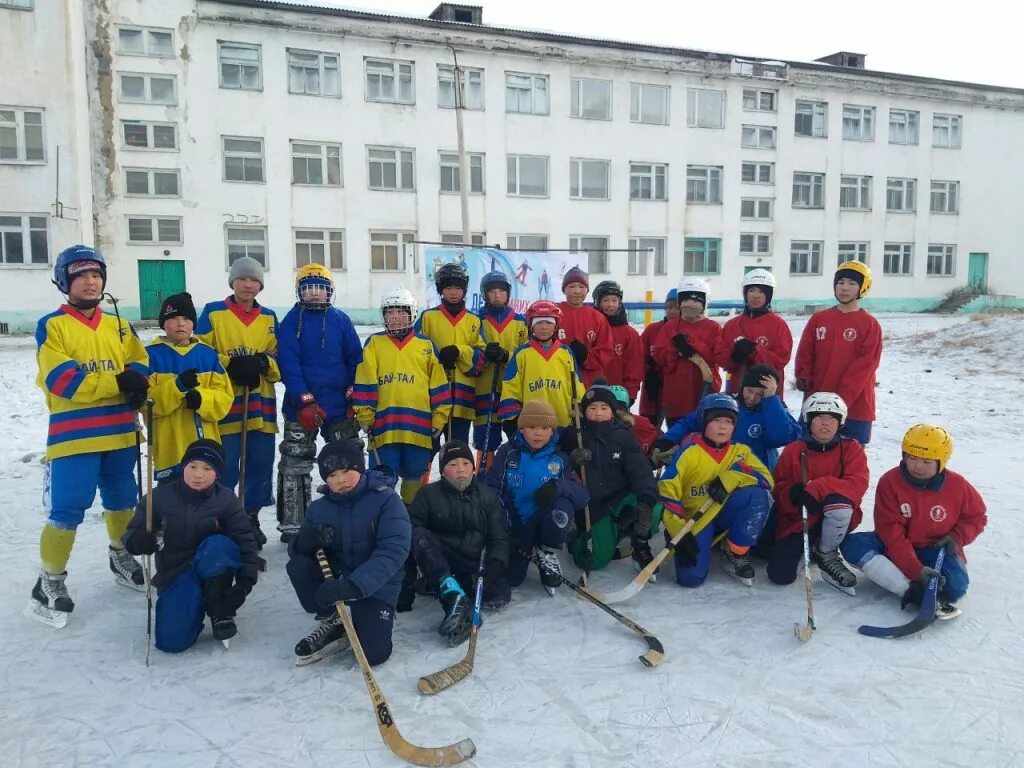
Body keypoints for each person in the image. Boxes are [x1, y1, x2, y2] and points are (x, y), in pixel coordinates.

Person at [29, 245, 149, 627]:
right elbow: (63, 380)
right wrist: (118, 381)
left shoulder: (119, 323)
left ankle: (119, 553)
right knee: (68, 509)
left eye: (96, 274)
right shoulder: (54, 325)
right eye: (81, 275)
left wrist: (138, 383)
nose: (91, 281)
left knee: (122, 500)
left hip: (119, 431)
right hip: (74, 436)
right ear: (66, 281)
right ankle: (49, 579)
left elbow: (140, 362)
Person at [122, 439, 260, 651]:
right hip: (176, 570)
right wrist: (138, 541)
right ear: (183, 467)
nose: (198, 474)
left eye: (207, 468)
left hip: (212, 562)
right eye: (192, 466)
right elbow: (130, 534)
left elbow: (246, 543)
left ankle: (219, 610)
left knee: (219, 546)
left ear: (217, 474)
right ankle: (191, 605)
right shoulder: (158, 498)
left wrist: (243, 587)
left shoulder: (226, 499)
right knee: (172, 642)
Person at [286, 439, 411, 666]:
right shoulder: (319, 508)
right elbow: (295, 550)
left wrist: (354, 586)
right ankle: (332, 618)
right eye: (331, 475)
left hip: (375, 585)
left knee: (373, 655)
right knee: (299, 562)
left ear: (359, 468)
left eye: (345, 471)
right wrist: (304, 541)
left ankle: (366, 617)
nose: (340, 480)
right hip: (337, 577)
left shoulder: (386, 499)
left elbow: (394, 550)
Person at [841, 425, 987, 617]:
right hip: (895, 546)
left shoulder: (958, 486)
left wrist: (957, 536)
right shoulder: (890, 482)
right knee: (852, 545)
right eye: (912, 458)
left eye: (926, 462)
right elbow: (890, 533)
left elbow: (976, 517)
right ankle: (908, 589)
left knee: (955, 588)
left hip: (935, 547)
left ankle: (907, 579)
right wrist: (915, 570)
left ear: (941, 461)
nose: (917, 466)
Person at [196, 256, 281, 547]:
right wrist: (229, 364)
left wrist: (262, 363)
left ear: (260, 284)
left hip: (260, 403)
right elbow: (199, 352)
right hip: (227, 402)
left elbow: (277, 358)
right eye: (242, 279)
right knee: (227, 464)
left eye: (254, 279)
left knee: (259, 464)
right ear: (232, 282)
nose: (247, 284)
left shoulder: (269, 317)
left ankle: (250, 517)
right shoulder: (213, 313)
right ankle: (222, 517)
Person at [277, 264, 363, 541]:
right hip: (301, 406)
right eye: (308, 288)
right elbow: (288, 364)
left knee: (347, 459)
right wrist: (303, 401)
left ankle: (351, 512)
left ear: (329, 292)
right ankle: (293, 523)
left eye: (320, 288)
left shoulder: (341, 320)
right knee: (294, 461)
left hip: (338, 404)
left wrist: (353, 395)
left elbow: (355, 359)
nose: (314, 294)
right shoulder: (291, 321)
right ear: (300, 292)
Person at [658, 394, 773, 588]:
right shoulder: (690, 452)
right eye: (716, 420)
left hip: (725, 513)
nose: (722, 427)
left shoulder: (741, 452)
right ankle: (693, 543)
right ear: (703, 422)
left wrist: (731, 476)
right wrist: (678, 531)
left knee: (757, 495)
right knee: (690, 579)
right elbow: (666, 490)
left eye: (728, 422)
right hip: (695, 520)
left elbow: (766, 480)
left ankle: (735, 550)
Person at [352, 288, 452, 505]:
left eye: (401, 312)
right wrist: (365, 416)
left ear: (412, 314)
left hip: (418, 428)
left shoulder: (426, 346)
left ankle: (411, 518)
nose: (395, 317)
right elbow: (365, 381)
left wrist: (439, 418)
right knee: (381, 477)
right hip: (385, 428)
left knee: (414, 474)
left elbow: (439, 387)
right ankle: (382, 518)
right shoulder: (374, 344)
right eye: (390, 312)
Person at [405, 440, 511, 644]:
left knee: (499, 595)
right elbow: (410, 531)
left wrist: (494, 565)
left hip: (473, 559)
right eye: (453, 465)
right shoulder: (427, 494)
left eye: (465, 464)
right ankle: (450, 591)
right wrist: (406, 583)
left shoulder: (487, 496)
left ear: (473, 468)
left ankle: (460, 593)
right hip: (441, 557)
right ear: (443, 471)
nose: (460, 470)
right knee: (418, 535)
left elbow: (498, 536)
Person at [766, 393, 868, 595]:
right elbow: (778, 486)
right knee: (780, 576)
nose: (825, 423)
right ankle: (809, 547)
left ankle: (826, 553)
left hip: (834, 518)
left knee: (838, 503)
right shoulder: (795, 450)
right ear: (808, 420)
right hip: (799, 519)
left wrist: (817, 488)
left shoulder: (851, 449)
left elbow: (857, 484)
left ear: (841, 422)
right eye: (819, 417)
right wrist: (792, 493)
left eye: (832, 418)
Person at [484, 400, 589, 596]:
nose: (538, 433)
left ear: (552, 431)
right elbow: (491, 490)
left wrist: (558, 486)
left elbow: (582, 496)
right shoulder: (508, 453)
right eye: (531, 427)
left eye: (544, 427)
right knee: (512, 578)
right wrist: (503, 526)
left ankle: (546, 550)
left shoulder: (559, 458)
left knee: (562, 506)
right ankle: (522, 549)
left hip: (543, 519)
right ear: (521, 429)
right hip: (515, 524)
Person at [560, 380, 660, 577]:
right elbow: (555, 462)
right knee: (593, 560)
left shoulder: (622, 435)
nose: (598, 412)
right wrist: (571, 459)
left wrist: (647, 494)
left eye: (604, 408)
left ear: (612, 411)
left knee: (653, 506)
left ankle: (638, 542)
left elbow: (639, 468)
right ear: (584, 411)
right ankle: (574, 539)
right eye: (593, 408)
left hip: (620, 498)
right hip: (594, 507)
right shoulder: (573, 434)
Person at [145, 292, 233, 483]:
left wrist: (202, 399)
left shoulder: (207, 355)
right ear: (163, 323)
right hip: (169, 443)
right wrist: (176, 387)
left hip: (204, 442)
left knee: (206, 498)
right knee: (171, 499)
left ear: (193, 323)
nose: (180, 324)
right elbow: (147, 403)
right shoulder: (150, 356)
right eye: (173, 319)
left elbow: (224, 397)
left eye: (186, 318)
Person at [794, 261, 882, 445]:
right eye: (840, 282)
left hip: (855, 405)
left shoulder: (869, 324)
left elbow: (865, 366)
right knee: (809, 451)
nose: (844, 288)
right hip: (817, 400)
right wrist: (803, 376)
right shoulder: (819, 319)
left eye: (852, 283)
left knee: (850, 456)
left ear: (863, 287)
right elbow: (806, 352)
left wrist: (842, 399)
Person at [653, 364, 800, 473]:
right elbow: (689, 422)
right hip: (718, 471)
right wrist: (667, 440)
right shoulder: (725, 404)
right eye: (749, 391)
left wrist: (771, 401)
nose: (752, 398)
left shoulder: (775, 409)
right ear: (742, 386)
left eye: (761, 394)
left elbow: (779, 438)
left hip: (756, 477)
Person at [416, 262, 485, 450]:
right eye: (448, 288)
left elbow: (481, 358)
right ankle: (422, 480)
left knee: (457, 447)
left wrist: (459, 351)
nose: (453, 292)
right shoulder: (428, 317)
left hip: (463, 397)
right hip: (433, 396)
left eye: (457, 288)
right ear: (440, 290)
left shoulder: (474, 320)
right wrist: (436, 358)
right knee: (427, 446)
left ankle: (455, 479)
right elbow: (414, 350)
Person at [497, 300, 583, 431]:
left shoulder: (565, 352)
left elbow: (576, 384)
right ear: (531, 326)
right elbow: (511, 387)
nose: (544, 327)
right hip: (532, 425)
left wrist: (580, 407)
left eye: (548, 323)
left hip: (563, 422)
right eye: (539, 323)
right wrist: (512, 417)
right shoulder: (522, 354)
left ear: (555, 326)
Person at [473, 271, 527, 469]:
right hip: (484, 389)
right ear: (485, 294)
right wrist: (484, 354)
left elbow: (527, 354)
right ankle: (484, 478)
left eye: (501, 291)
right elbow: (472, 347)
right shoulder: (476, 320)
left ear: (508, 294)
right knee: (485, 440)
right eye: (492, 291)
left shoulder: (520, 322)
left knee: (517, 437)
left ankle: (515, 476)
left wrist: (507, 356)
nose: (497, 295)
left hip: (512, 391)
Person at [652, 277, 723, 427]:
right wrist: (675, 350)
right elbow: (659, 357)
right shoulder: (670, 327)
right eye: (685, 300)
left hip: (704, 392)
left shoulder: (714, 328)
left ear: (704, 302)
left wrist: (692, 343)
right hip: (676, 396)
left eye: (696, 301)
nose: (690, 305)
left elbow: (717, 357)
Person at [715, 269, 793, 400]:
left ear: (769, 295)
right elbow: (721, 357)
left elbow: (781, 360)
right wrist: (734, 358)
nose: (755, 296)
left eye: (761, 291)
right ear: (745, 293)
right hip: (736, 392)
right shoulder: (732, 325)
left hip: (766, 393)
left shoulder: (778, 325)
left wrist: (754, 350)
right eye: (751, 290)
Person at [557, 266, 613, 388]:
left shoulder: (598, 318)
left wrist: (585, 358)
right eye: (572, 286)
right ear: (563, 290)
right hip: (559, 378)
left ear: (587, 290)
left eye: (581, 287)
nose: (577, 291)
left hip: (589, 382)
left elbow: (605, 350)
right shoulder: (555, 314)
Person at [592, 280, 643, 403]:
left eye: (614, 300)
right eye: (605, 300)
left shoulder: (630, 334)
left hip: (618, 396)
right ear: (597, 302)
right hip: (591, 392)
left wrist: (630, 394)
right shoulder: (590, 329)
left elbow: (634, 367)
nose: (610, 305)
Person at [638, 288, 680, 429]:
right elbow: (638, 357)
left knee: (676, 430)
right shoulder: (653, 330)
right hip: (653, 390)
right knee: (648, 429)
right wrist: (647, 374)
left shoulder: (687, 331)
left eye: (676, 307)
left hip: (676, 390)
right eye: (668, 307)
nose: (672, 311)